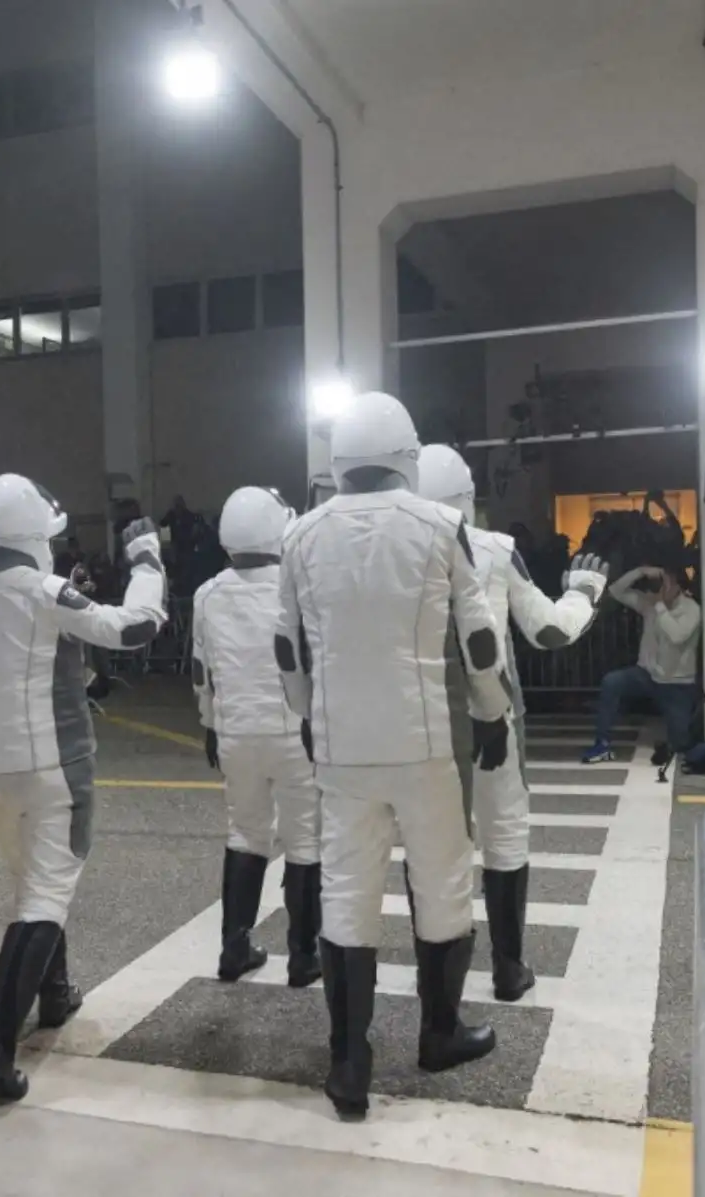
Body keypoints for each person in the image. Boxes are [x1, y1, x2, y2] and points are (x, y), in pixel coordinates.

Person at [274, 391, 512, 1119]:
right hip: (426, 743)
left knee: (347, 891)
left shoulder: (300, 536)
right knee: (442, 884)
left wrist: (305, 713)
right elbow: (479, 636)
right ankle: (438, 1033)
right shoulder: (442, 524)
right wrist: (493, 711)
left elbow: (286, 645)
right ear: (408, 458)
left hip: (342, 745)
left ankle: (350, 1059)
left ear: (337, 462)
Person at [0, 473, 165, 1103]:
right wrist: (148, 563)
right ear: (32, 537)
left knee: (35, 884)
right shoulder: (43, 589)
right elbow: (135, 627)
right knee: (41, 896)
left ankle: (55, 995)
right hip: (53, 766)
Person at [416, 444, 609, 1000]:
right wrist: (583, 592)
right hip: (495, 716)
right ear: (469, 498)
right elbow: (549, 630)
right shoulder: (496, 551)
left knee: (436, 849)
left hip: (426, 725)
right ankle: (508, 966)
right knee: (505, 836)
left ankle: (441, 993)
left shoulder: (394, 553)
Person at [191, 486, 322, 988]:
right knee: (305, 838)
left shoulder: (207, 594)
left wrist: (209, 723)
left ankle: (234, 947)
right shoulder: (297, 584)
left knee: (245, 834)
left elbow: (204, 671)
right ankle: (303, 954)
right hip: (294, 731)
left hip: (235, 732)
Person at [582, 565, 702, 762]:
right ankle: (601, 744)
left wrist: (660, 606)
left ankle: (677, 738)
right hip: (646, 675)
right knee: (612, 682)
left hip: (676, 684)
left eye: (666, 584)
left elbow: (676, 636)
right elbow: (615, 591)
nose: (659, 589)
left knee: (680, 744)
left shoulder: (691, 609)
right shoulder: (650, 603)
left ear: (678, 587)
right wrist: (639, 572)